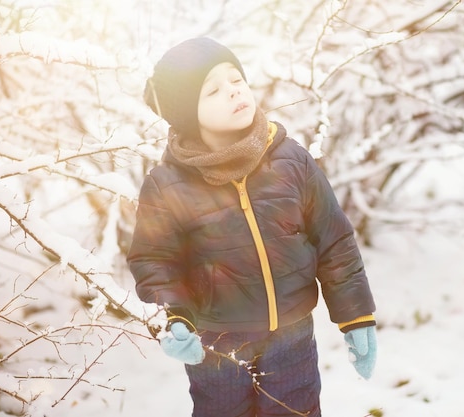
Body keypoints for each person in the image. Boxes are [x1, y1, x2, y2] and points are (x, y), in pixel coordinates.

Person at [127, 37, 377, 417]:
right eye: (212, 90)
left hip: (292, 337)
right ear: (185, 113)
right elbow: (154, 260)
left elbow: (334, 240)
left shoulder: (292, 160)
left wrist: (355, 315)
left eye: (236, 79)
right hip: (217, 345)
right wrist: (173, 316)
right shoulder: (167, 185)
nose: (233, 91)